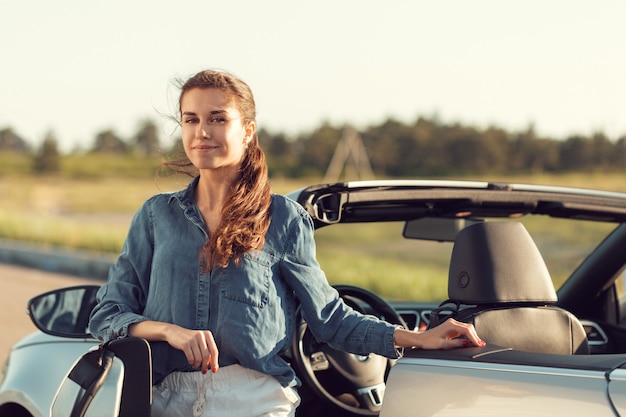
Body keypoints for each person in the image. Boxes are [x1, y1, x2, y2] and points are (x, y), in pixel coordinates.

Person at [88, 69, 485, 417]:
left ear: (247, 130)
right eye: (191, 119)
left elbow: (330, 319)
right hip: (164, 400)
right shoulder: (156, 216)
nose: (201, 132)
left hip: (255, 400)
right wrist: (170, 332)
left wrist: (417, 338)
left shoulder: (283, 218)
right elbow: (107, 315)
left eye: (217, 119)